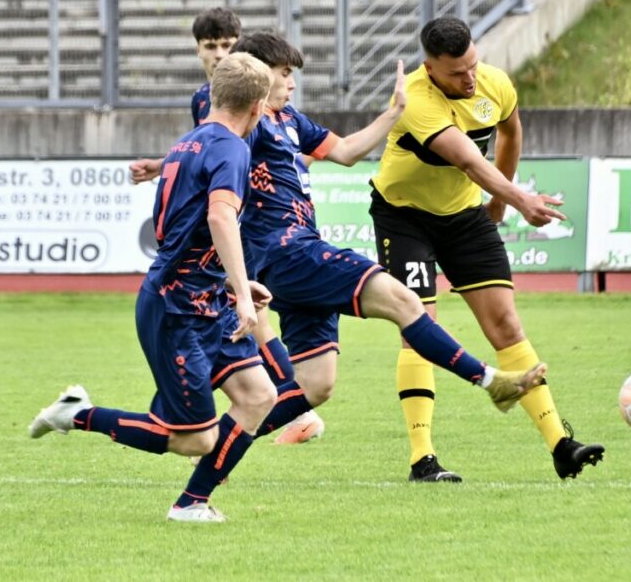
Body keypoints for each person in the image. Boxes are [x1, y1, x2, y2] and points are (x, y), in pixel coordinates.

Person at [133, 32, 548, 447]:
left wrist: (395, 112)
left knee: (315, 385)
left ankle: (212, 450)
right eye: (284, 74)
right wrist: (165, 162)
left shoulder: (291, 120)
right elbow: (211, 128)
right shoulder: (247, 122)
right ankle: (489, 380)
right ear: (260, 78)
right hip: (287, 250)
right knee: (404, 301)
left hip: (294, 255)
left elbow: (348, 151)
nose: (292, 83)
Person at [30, 53, 278, 523]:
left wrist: (235, 281)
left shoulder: (188, 143)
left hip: (205, 299)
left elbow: (184, 231)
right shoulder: (233, 148)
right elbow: (219, 216)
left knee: (258, 396)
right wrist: (243, 296)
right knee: (196, 438)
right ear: (258, 107)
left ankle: (191, 503)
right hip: (176, 307)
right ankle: (78, 414)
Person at [369, 16, 604, 482]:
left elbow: (511, 134)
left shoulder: (494, 83)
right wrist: (520, 202)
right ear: (431, 68)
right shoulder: (415, 99)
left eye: (473, 64)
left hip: (465, 216)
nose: (470, 77)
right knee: (418, 324)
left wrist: (500, 200)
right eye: (457, 72)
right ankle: (423, 459)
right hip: (405, 216)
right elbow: (469, 159)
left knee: (507, 324)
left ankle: (561, 445)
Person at [131, 8, 324, 445]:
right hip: (198, 275)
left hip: (218, 260)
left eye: (226, 44)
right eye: (210, 46)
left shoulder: (201, 130)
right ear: (259, 107)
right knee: (195, 434)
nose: (219, 53)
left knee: (257, 344)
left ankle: (271, 417)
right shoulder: (222, 121)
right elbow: (219, 202)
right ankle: (277, 413)